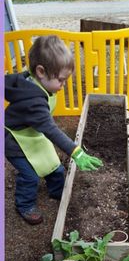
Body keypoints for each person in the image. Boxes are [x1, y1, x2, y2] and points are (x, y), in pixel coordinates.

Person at [5, 35, 103, 225]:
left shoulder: (32, 79)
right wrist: (76, 151)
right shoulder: (32, 101)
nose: (63, 85)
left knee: (54, 166)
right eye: (61, 80)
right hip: (15, 141)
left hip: (32, 133)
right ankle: (24, 205)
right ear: (40, 71)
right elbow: (51, 130)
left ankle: (58, 191)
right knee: (30, 175)